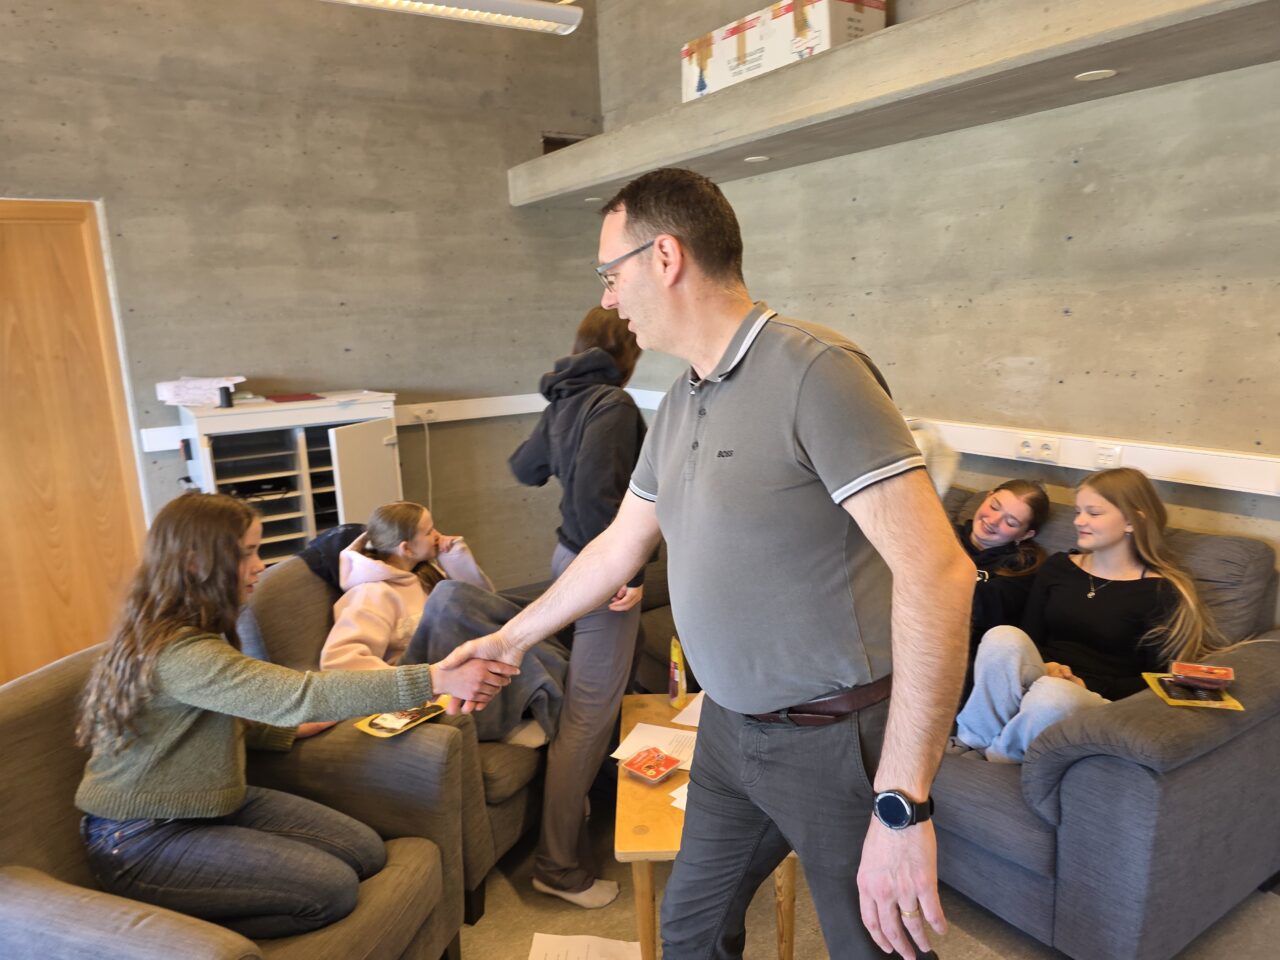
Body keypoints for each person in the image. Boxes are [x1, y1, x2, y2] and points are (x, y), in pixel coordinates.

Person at [439, 167, 975, 960]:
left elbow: (939, 573)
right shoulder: (680, 398)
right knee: (689, 932)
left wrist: (902, 806)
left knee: (878, 947)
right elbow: (619, 545)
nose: (607, 297)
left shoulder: (817, 371)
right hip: (728, 729)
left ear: (664, 257)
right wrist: (508, 640)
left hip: (834, 737)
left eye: (610, 273)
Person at [74, 492, 515, 938]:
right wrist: (435, 678)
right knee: (333, 891)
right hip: (142, 838)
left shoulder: (197, 631)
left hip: (212, 806)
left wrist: (282, 733)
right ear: (195, 562)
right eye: (247, 553)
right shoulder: (178, 652)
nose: (260, 566)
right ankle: (190, 936)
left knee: (366, 852)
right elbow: (300, 694)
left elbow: (209, 718)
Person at [508, 306, 647, 909]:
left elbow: (525, 468)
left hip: (566, 558)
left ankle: (582, 803)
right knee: (588, 718)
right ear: (627, 347)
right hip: (598, 572)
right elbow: (596, 498)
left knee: (599, 692)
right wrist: (627, 571)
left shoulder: (565, 398)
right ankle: (558, 867)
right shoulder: (613, 405)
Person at [955, 467, 1222, 763]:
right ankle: (970, 742)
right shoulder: (1059, 567)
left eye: (1093, 513)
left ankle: (998, 760)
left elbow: (1159, 680)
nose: (1079, 521)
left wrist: (1085, 685)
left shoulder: (1161, 591)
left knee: (1053, 694)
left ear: (1132, 520)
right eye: (1078, 511)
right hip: (1045, 673)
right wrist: (1048, 665)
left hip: (1093, 697)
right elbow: (1029, 637)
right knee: (1002, 637)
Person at [319, 500, 494, 672]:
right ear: (407, 549)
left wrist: (453, 555)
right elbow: (338, 662)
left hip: (462, 659)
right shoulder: (371, 594)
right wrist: (420, 680)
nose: (437, 535)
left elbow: (484, 602)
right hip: (425, 678)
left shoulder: (424, 572)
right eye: (429, 531)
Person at [955, 480, 1049, 693]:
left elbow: (975, 609)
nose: (993, 520)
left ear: (1025, 535)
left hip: (964, 651)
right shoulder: (943, 535)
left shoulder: (1022, 568)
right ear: (988, 496)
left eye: (1011, 522)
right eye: (995, 506)